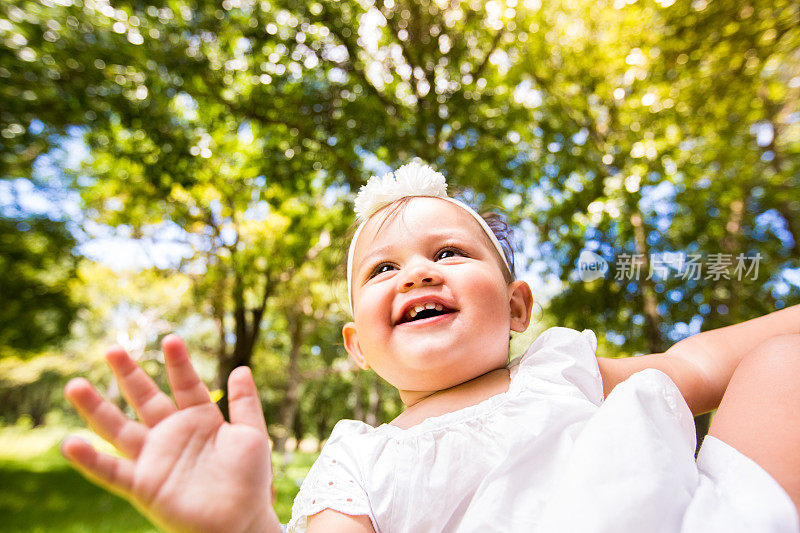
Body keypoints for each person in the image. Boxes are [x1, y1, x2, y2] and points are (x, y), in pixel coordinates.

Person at [62, 162, 800, 532]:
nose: (417, 269)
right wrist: (249, 524)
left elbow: (695, 362)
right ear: (358, 346)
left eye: (449, 252)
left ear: (516, 309)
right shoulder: (356, 460)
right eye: (384, 268)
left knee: (783, 364)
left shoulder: (560, 368)